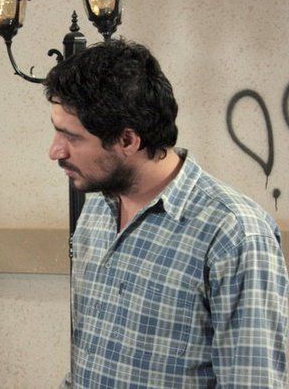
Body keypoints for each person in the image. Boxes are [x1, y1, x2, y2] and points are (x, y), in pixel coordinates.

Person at [46, 39, 288, 387]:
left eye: (72, 137)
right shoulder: (98, 206)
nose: (55, 151)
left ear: (128, 141)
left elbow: (253, 381)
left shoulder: (234, 233)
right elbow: (87, 363)